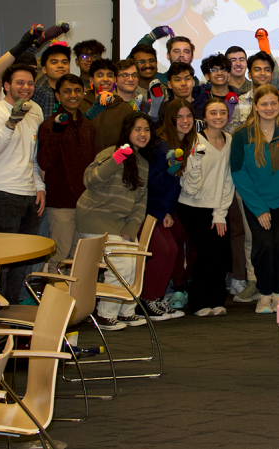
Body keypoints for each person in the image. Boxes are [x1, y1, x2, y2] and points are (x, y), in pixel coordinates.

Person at [231, 85, 279, 313]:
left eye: (273, 103)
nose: (269, 108)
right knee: (264, 246)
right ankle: (264, 293)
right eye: (263, 104)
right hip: (257, 203)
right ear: (255, 106)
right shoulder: (242, 135)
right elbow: (239, 174)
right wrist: (259, 208)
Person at [75, 112, 152, 330]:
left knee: (135, 260)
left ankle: (126, 311)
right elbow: (91, 181)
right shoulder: (111, 153)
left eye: (146, 129)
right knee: (121, 264)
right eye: (137, 129)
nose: (142, 134)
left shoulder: (143, 164)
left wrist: (132, 227)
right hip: (95, 218)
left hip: (119, 224)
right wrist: (118, 159)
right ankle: (104, 314)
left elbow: (140, 202)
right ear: (128, 131)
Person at [0, 63, 45, 303]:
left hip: (28, 194)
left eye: (30, 83)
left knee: (21, 262)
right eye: (19, 83)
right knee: (2, 263)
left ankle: (12, 317)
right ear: (7, 86)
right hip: (0, 194)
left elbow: (33, 156)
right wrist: (11, 122)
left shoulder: (35, 111)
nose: (25, 88)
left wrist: (40, 187)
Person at [178, 97, 235, 316]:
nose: (218, 117)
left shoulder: (230, 140)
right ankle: (199, 302)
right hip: (192, 205)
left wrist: (220, 213)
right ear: (204, 117)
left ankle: (217, 299)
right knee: (207, 250)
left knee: (221, 251)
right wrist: (196, 165)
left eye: (222, 112)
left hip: (218, 207)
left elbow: (228, 180)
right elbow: (189, 187)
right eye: (213, 113)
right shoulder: (194, 141)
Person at [37, 73, 96, 273]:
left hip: (84, 203)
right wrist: (57, 131)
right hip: (61, 203)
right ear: (58, 95)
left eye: (77, 90)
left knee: (79, 257)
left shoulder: (88, 126)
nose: (73, 95)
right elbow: (44, 161)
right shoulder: (49, 125)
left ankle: (76, 302)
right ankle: (56, 301)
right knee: (60, 256)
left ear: (84, 92)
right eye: (67, 91)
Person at [142, 98, 195, 318]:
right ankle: (147, 300)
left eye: (189, 116)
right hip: (150, 211)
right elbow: (151, 184)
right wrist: (162, 211)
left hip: (166, 210)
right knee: (163, 251)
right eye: (179, 117)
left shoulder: (186, 143)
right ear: (170, 119)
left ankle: (157, 298)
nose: (185, 121)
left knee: (172, 250)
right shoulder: (161, 145)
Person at [229, 52, 279, 133]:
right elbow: (234, 134)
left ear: (272, 74)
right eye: (257, 70)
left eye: (267, 70)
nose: (262, 73)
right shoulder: (240, 102)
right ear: (249, 75)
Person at [79, 59, 135, 153]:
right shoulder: (81, 105)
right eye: (100, 75)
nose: (105, 79)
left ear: (115, 80)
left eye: (110, 75)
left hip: (116, 162)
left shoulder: (125, 109)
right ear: (91, 80)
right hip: (86, 161)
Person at [32, 43, 71, 116]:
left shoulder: (75, 92)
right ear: (44, 69)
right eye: (54, 62)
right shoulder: (37, 91)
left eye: (64, 62)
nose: (60, 66)